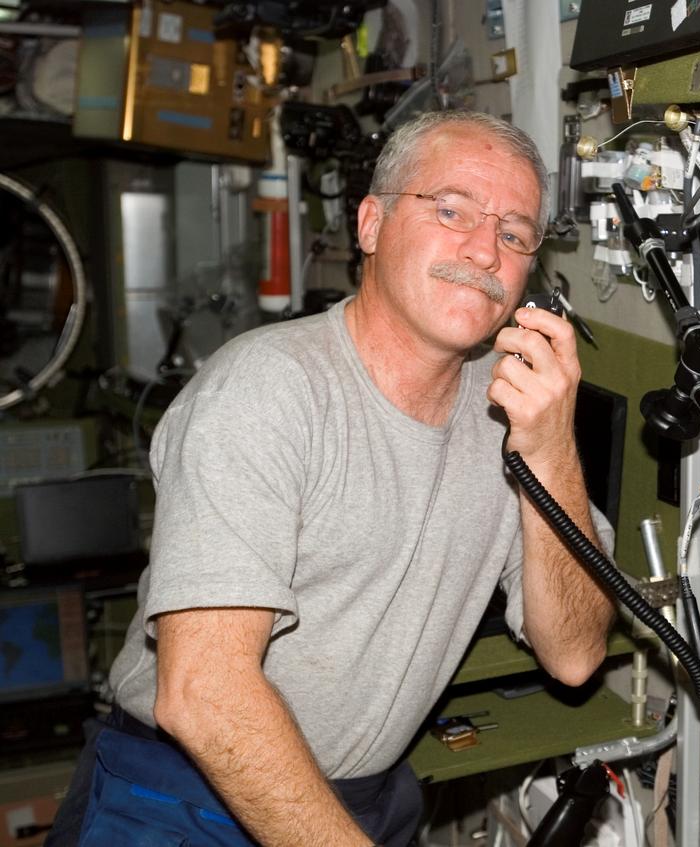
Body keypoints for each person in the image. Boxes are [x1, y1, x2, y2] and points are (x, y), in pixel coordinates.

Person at [47, 110, 617, 846]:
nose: (484, 249)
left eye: (514, 233)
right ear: (371, 223)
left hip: (357, 799)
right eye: (451, 210)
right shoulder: (267, 388)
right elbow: (204, 692)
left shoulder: (512, 412)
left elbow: (575, 653)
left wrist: (550, 449)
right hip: (179, 795)